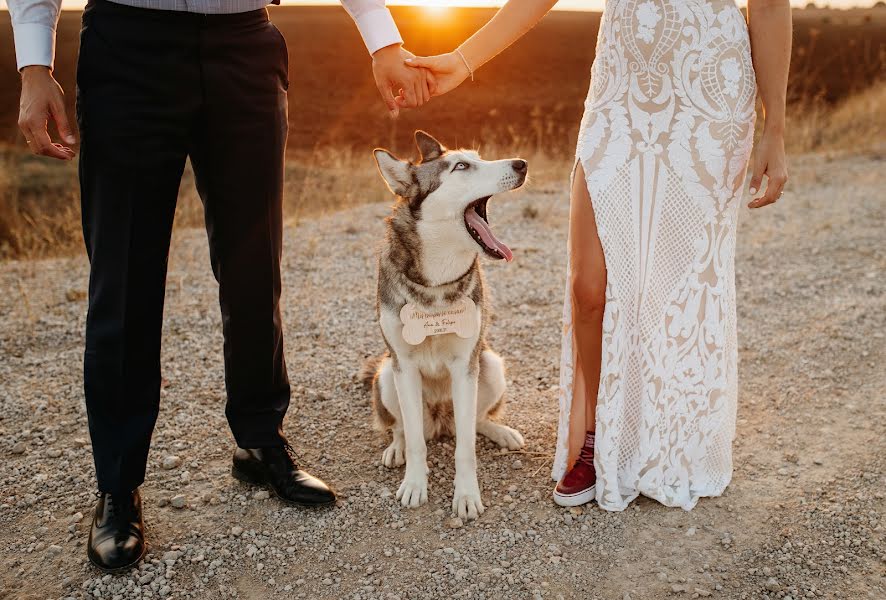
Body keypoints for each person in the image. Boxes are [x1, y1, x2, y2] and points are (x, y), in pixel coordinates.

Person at [8, 0, 431, 572]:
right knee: (125, 278)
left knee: (254, 265)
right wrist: (34, 66)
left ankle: (260, 441)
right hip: (129, 48)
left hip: (245, 46)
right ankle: (117, 483)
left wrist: (382, 43)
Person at [406, 0, 791, 511]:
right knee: (589, 287)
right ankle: (594, 438)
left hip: (709, 92)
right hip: (619, 91)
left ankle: (661, 438)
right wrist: (463, 58)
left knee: (672, 284)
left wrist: (776, 129)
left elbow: (768, 5)